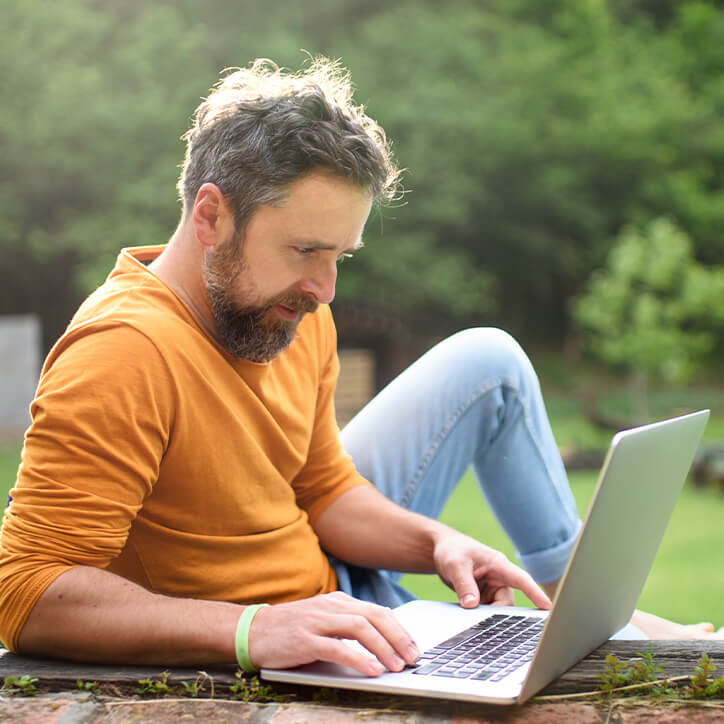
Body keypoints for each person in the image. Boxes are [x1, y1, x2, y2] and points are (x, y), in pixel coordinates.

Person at [0, 58, 719, 676]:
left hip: (342, 596)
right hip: (294, 633)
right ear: (212, 217)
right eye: (305, 251)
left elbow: (323, 488)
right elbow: (24, 589)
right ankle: (622, 639)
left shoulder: (288, 311)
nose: (325, 289)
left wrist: (433, 540)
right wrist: (253, 631)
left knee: (490, 359)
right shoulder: (125, 352)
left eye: (339, 257)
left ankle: (583, 615)